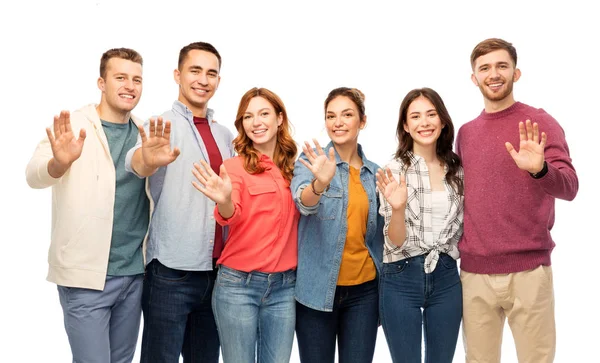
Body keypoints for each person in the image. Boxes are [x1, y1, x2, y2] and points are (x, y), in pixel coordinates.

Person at [456, 38, 579, 363]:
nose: (493, 74)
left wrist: (540, 170)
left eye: (501, 66)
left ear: (516, 72)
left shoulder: (540, 122)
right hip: (475, 273)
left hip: (529, 272)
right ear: (474, 78)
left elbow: (569, 187)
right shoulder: (466, 133)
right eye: (484, 68)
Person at [26, 48, 148, 363]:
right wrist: (58, 163)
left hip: (133, 274)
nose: (129, 86)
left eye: (136, 79)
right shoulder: (75, 124)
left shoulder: (145, 133)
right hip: (85, 279)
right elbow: (33, 175)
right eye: (120, 77)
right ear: (101, 82)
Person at [124, 41, 235, 363]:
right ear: (178, 75)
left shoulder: (225, 134)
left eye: (211, 73)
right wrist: (147, 157)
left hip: (216, 272)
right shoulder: (160, 125)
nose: (203, 79)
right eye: (195, 70)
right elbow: (136, 163)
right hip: (171, 272)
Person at [191, 87, 299, 363]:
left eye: (264, 113)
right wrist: (224, 200)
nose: (257, 122)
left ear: (279, 118)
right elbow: (231, 213)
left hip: (284, 288)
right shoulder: (234, 167)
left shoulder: (295, 170)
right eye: (248, 117)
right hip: (238, 286)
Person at [290, 87, 383, 363]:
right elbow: (304, 204)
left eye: (347, 114)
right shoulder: (310, 162)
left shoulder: (374, 173)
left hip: (364, 292)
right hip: (316, 291)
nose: (338, 122)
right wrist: (320, 182)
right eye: (331, 116)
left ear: (362, 121)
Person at [376, 87, 463, 363]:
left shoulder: (457, 170)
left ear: (443, 120)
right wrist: (398, 209)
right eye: (415, 116)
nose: (424, 123)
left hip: (447, 276)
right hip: (401, 276)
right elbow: (395, 241)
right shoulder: (393, 169)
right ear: (405, 125)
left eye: (431, 114)